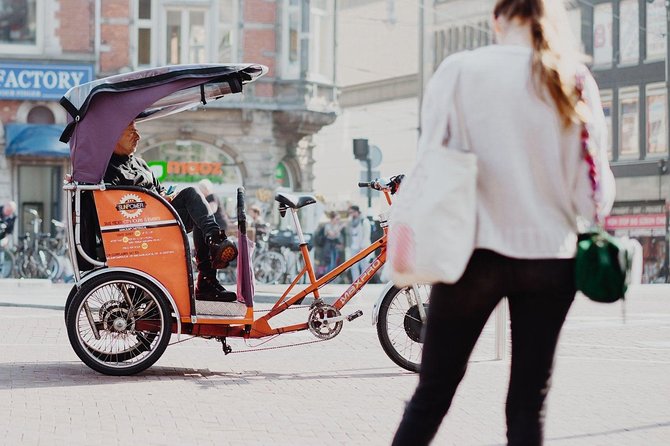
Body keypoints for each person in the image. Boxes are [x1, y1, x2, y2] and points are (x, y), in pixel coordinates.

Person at [392, 1, 615, 445]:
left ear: (497, 18)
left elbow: (431, 163)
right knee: (528, 404)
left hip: (471, 254)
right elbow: (593, 197)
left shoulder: (459, 71)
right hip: (550, 258)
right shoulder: (571, 79)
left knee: (433, 392)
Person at [104, 121, 238, 302]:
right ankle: (215, 241)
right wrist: (157, 202)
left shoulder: (141, 163)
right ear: (113, 137)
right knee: (191, 193)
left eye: (137, 132)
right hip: (137, 229)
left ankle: (208, 278)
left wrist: (165, 196)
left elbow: (159, 191)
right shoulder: (108, 169)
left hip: (160, 219)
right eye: (131, 133)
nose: (138, 137)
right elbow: (116, 206)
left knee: (196, 208)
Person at [345, 205, 370, 279]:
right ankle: (355, 281)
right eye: (350, 213)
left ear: (357, 211)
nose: (351, 214)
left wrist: (363, 245)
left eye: (352, 212)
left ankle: (364, 280)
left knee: (364, 265)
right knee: (354, 266)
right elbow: (349, 234)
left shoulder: (364, 221)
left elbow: (366, 234)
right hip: (353, 246)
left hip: (362, 246)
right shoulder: (351, 222)